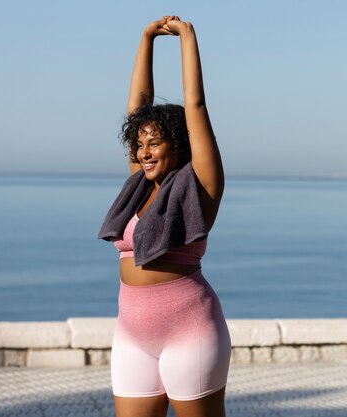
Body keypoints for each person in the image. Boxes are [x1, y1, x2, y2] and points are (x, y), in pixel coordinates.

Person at [98, 16, 231, 417]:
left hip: (190, 332)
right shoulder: (138, 185)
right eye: (140, 145)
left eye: (155, 143)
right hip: (132, 334)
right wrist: (146, 40)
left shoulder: (202, 186)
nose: (144, 152)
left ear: (180, 145)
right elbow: (136, 107)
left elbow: (196, 106)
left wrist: (188, 39)